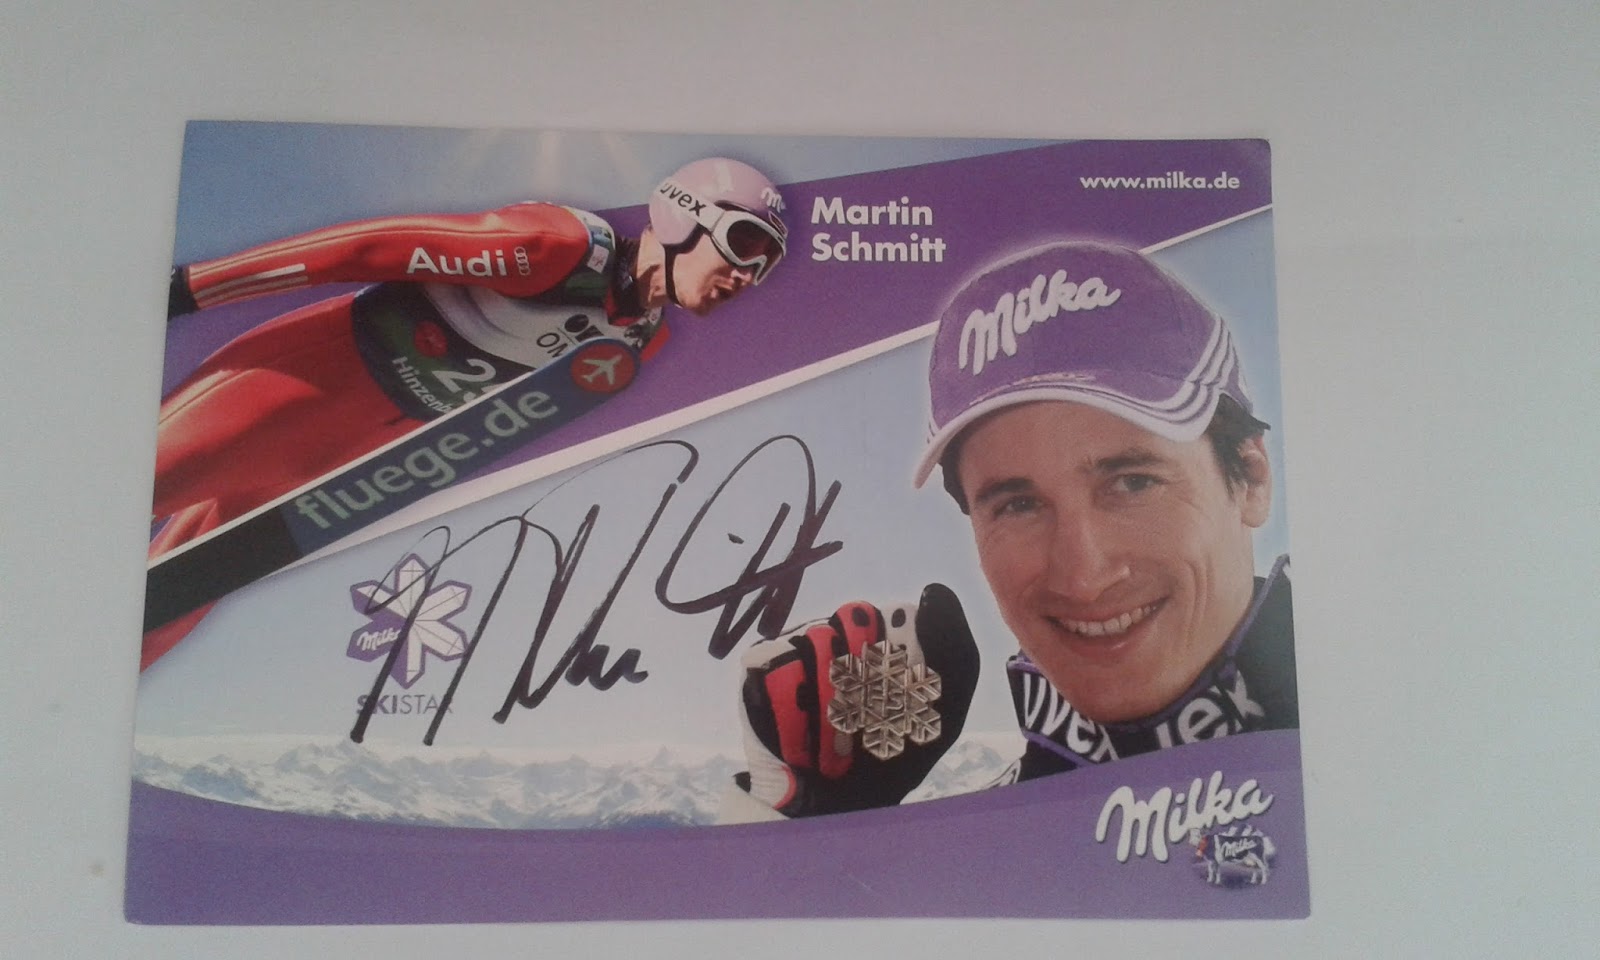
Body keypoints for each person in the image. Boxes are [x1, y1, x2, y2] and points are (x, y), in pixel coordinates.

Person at [725, 240, 1297, 820]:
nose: (1083, 577)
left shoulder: (1350, 750)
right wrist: (817, 840)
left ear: (1251, 478)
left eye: (1132, 483)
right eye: (1019, 505)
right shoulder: (986, 831)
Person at [146, 157, 788, 669]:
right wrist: (191, 288)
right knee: (117, 502)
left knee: (170, 606)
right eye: (743, 244)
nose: (748, 276)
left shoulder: (644, 340)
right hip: (295, 384)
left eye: (766, 266)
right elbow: (369, 249)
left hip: (347, 459)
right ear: (681, 217)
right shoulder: (558, 246)